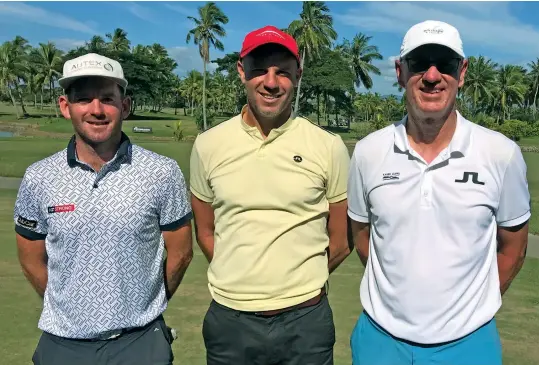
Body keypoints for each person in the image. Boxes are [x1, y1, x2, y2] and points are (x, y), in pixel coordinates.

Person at [347, 20, 531, 365]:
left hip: (469, 343)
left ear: (461, 72)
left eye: (444, 64)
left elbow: (513, 247)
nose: (432, 76)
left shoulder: (500, 153)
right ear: (401, 72)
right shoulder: (369, 151)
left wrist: (467, 310)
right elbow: (361, 235)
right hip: (381, 339)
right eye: (419, 64)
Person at [13, 52, 193, 365]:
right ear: (65, 106)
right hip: (63, 343)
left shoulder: (162, 171)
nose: (96, 110)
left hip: (140, 341)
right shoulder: (39, 177)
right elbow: (30, 257)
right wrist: (69, 306)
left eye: (107, 99)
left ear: (124, 106)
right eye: (83, 99)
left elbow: (181, 252)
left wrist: (144, 306)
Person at [189, 25, 352, 365]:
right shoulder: (208, 145)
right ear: (241, 72)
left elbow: (341, 239)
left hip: (305, 323)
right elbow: (205, 230)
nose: (271, 82)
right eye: (259, 70)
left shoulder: (327, 146)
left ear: (298, 75)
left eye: (283, 72)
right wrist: (240, 273)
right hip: (230, 320)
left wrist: (297, 280)